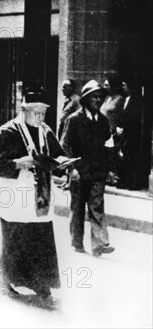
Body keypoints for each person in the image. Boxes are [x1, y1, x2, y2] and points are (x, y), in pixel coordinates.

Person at [0, 87, 64, 304]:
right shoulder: (7, 132)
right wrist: (18, 163)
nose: (40, 117)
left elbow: (57, 157)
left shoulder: (45, 131)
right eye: (36, 113)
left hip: (40, 193)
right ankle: (6, 280)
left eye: (43, 113)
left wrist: (66, 166)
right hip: (16, 192)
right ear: (24, 110)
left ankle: (39, 281)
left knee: (40, 237)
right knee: (15, 237)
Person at [61, 79, 116, 257]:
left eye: (100, 97)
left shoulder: (103, 122)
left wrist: (108, 168)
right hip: (79, 171)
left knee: (97, 205)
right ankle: (77, 242)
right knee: (77, 208)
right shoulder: (74, 120)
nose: (98, 100)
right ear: (85, 99)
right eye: (94, 97)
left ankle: (99, 244)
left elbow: (109, 145)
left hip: (97, 172)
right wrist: (71, 169)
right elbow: (65, 146)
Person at [117, 79, 146, 190]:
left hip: (132, 134)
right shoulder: (125, 99)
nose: (123, 87)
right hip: (124, 133)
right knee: (125, 158)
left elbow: (133, 119)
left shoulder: (137, 101)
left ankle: (134, 182)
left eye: (125, 85)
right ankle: (125, 181)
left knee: (132, 157)